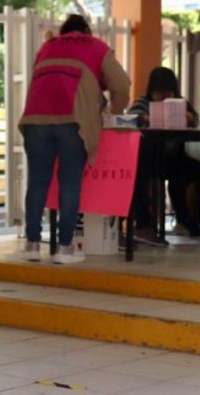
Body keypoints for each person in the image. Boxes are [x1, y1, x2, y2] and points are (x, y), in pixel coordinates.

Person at [19, 14, 131, 264]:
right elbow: (122, 85)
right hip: (72, 122)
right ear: (86, 31)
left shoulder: (47, 47)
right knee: (69, 183)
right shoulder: (96, 47)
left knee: (37, 182)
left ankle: (32, 245)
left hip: (35, 119)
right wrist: (115, 113)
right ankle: (65, 248)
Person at [128, 67, 200, 241]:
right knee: (140, 176)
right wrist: (145, 119)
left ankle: (197, 219)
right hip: (149, 160)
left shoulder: (180, 103)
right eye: (161, 93)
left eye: (169, 92)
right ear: (152, 91)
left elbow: (195, 119)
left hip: (174, 158)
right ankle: (143, 223)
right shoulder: (142, 104)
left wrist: (189, 118)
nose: (165, 96)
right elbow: (132, 117)